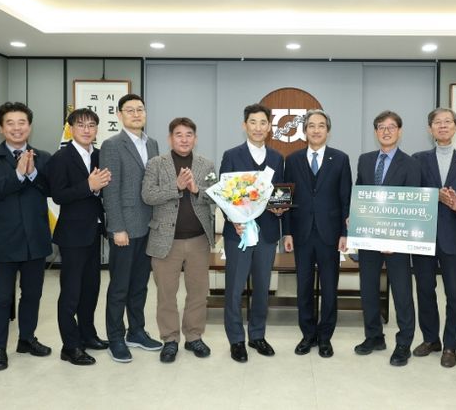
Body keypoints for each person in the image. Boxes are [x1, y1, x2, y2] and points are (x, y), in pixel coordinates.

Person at [0, 102, 52, 371]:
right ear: (1, 128)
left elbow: (51, 189)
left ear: (29, 126)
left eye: (22, 122)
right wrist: (18, 174)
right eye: (10, 123)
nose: (17, 128)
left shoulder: (43, 157)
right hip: (5, 241)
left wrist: (33, 173)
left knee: (32, 294)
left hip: (36, 239)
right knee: (1, 298)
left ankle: (26, 339)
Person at [411, 107, 456, 368]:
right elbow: (411, 193)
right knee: (425, 290)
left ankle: (450, 345)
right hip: (424, 236)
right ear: (430, 128)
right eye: (437, 122)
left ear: (455, 127)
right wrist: (434, 197)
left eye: (447, 122)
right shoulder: (418, 159)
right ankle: (431, 340)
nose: (442, 126)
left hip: (455, 237)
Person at [141, 117, 215, 363]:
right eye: (179, 134)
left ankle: (194, 336)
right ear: (170, 138)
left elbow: (216, 196)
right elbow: (148, 195)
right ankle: (170, 339)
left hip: (198, 240)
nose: (184, 139)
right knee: (166, 294)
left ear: (195, 138)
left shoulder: (206, 164)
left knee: (198, 292)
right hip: (165, 240)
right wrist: (176, 186)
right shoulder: (156, 164)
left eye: (189, 134)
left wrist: (196, 190)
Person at [353, 111, 421, 366]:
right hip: (369, 237)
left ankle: (404, 343)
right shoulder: (365, 160)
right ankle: (374, 336)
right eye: (381, 127)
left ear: (399, 131)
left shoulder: (411, 164)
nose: (386, 131)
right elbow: (360, 193)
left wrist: (395, 240)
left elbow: (413, 202)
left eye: (391, 127)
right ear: (375, 132)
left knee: (402, 293)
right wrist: (354, 219)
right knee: (368, 289)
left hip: (398, 241)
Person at [283, 109, 352, 358]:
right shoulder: (292, 160)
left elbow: (346, 198)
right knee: (303, 288)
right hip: (301, 234)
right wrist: (287, 232)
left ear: (328, 131)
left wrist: (345, 233)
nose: (316, 130)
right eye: (311, 126)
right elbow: (286, 199)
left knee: (329, 289)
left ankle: (325, 337)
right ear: (305, 131)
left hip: (330, 235)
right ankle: (308, 335)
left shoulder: (340, 159)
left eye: (321, 125)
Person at [219, 104, 285, 363]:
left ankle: (257, 335)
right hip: (239, 233)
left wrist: (280, 208)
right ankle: (236, 339)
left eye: (263, 123)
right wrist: (232, 218)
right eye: (253, 122)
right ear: (244, 125)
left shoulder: (277, 158)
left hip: (267, 233)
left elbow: (279, 192)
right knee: (234, 289)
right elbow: (224, 194)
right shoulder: (232, 155)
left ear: (269, 127)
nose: (258, 127)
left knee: (262, 288)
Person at [100, 93, 161, 362]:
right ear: (119, 114)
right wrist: (117, 228)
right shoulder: (112, 145)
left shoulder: (153, 143)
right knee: (119, 287)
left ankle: (136, 331)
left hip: (148, 226)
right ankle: (115, 336)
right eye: (130, 110)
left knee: (140, 285)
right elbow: (110, 191)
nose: (136, 114)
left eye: (140, 109)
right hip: (124, 228)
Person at [49, 108, 111, 366]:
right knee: (71, 292)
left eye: (91, 125)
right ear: (71, 128)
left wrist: (99, 190)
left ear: (97, 129)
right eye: (81, 125)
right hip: (72, 235)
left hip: (94, 231)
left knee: (91, 288)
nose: (87, 130)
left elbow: (103, 191)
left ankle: (88, 335)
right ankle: (70, 346)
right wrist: (88, 186)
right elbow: (58, 195)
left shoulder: (99, 155)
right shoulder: (61, 157)